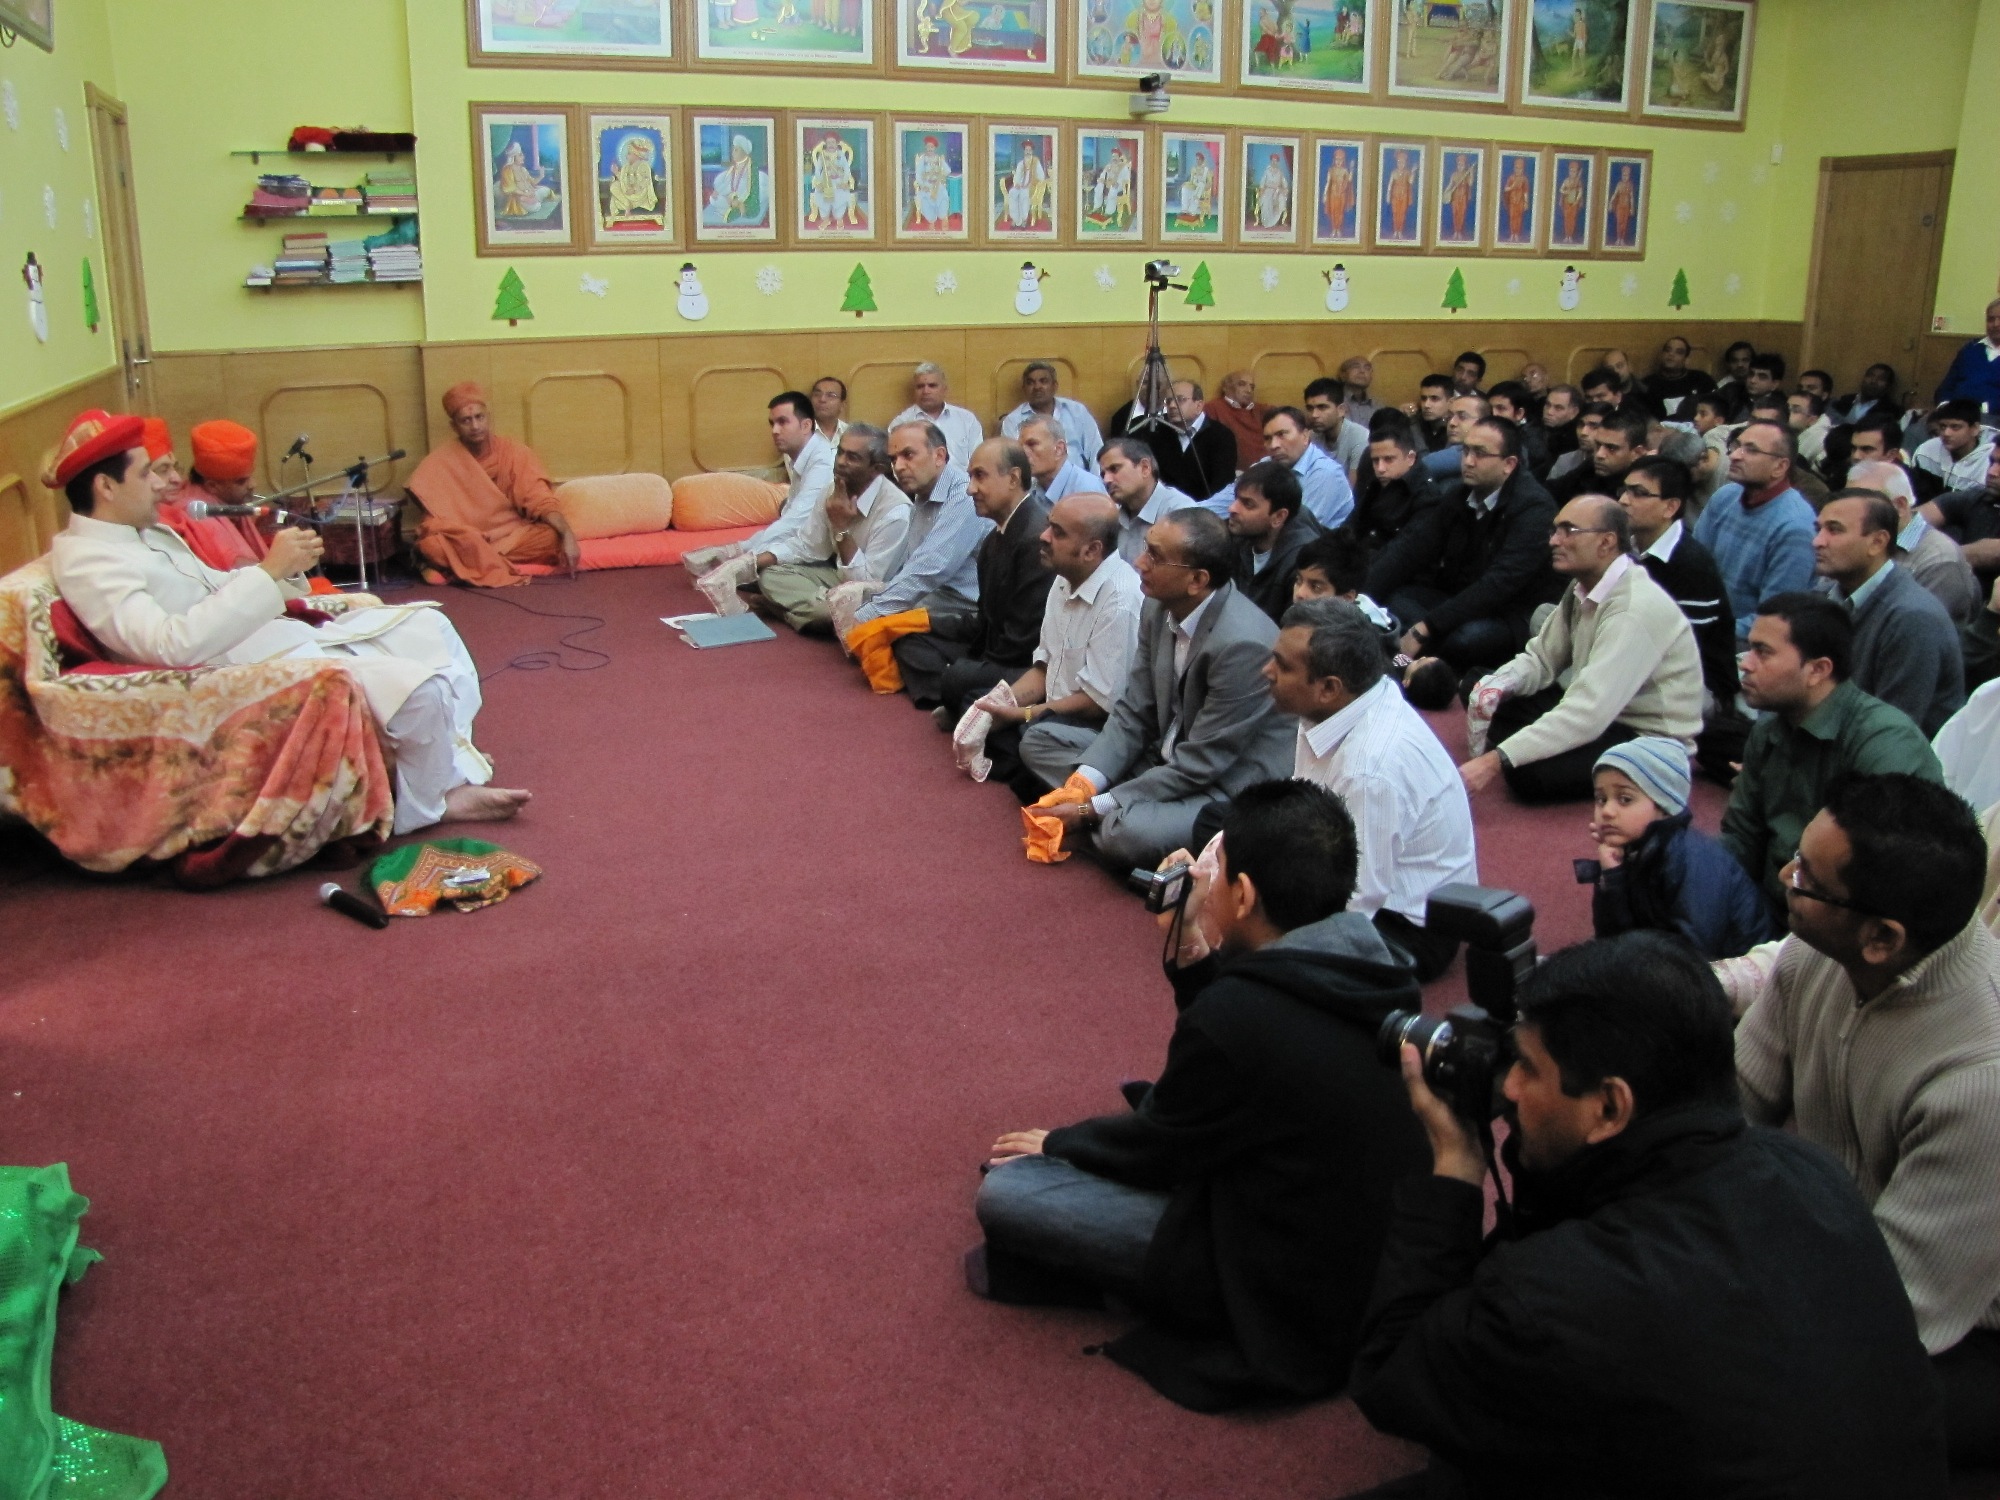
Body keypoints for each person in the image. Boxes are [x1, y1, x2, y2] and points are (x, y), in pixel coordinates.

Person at [1350, 932, 1948, 1499]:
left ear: (1610, 1105)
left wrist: (1456, 1168)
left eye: (1529, 1068)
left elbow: (1393, 1373)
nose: (1507, 1087)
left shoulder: (1558, 1297)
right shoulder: (1808, 1172)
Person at [973, 779, 1430, 1412]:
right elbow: (1236, 1047)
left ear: (1243, 896)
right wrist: (1191, 940)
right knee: (1153, 1101)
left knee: (1010, 1193)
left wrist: (1060, 1144)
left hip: (1268, 1268)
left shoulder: (1241, 1018)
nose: (1204, 884)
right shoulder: (1378, 961)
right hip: (1354, 1240)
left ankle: (1140, 1288)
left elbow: (1164, 1145)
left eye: (1214, 875)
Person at [45, 410, 529, 834]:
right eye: (146, 473)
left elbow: (215, 583)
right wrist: (268, 573)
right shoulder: (89, 558)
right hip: (238, 672)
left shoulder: (137, 533)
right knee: (420, 692)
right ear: (106, 487)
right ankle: (430, 808)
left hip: (267, 635)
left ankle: (450, 771)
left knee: (429, 629)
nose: (159, 484)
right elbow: (168, 646)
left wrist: (289, 573)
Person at [1736, 773, 2000, 1469]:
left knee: (1765, 1412)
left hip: (1963, 1329)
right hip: (1846, 1248)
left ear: (1882, 938)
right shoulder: (1816, 953)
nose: (1787, 877)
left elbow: (1898, 1311)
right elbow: (1729, 1109)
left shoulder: (1984, 1080)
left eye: (1808, 879)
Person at [1019, 509, 1292, 868]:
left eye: (1155, 557)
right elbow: (1133, 710)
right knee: (1038, 741)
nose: (1139, 562)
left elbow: (1201, 765)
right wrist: (1082, 786)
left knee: (1127, 834)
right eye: (1147, 549)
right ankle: (1112, 813)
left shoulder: (1242, 644)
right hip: (1158, 759)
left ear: (1197, 580)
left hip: (1220, 786)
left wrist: (1090, 807)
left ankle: (1109, 819)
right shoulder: (1156, 604)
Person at [1259, 599, 1476, 979]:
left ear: (1328, 687)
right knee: (1228, 826)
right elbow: (1305, 802)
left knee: (1262, 963)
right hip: (1350, 864)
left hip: (1407, 926)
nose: (1267, 671)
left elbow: (1359, 898)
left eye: (1283, 665)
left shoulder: (1370, 769)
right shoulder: (1337, 704)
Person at [1460, 495, 1704, 804]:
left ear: (1606, 542)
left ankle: (1530, 748)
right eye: (1555, 530)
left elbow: (1589, 712)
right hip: (1596, 711)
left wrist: (1493, 761)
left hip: (1641, 736)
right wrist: (1497, 686)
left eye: (1568, 531)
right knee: (1478, 683)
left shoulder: (1634, 607)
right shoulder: (1582, 586)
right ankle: (1532, 741)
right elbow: (1541, 659)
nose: (1554, 540)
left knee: (1525, 774)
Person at [1720, 592, 1943, 902]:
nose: (1745, 663)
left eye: (1763, 652)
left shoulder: (1883, 739)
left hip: (1836, 925)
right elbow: (1741, 838)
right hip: (1769, 907)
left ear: (1818, 670)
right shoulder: (1768, 730)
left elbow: (1885, 869)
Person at [967, 494, 1142, 802]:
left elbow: (1097, 703)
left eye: (1058, 532)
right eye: (1048, 526)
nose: (1043, 537)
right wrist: (1001, 704)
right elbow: (1043, 668)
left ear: (1091, 550)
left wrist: (1022, 714)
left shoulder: (1120, 601)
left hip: (1096, 726)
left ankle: (1100, 791)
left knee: (1031, 739)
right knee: (976, 702)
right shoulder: (1063, 578)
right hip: (1054, 713)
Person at [1369, 419, 1561, 672]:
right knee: (1393, 600)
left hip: (1510, 613)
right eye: (1466, 451)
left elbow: (1498, 585)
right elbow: (1410, 549)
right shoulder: (1459, 495)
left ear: (1509, 464)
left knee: (1464, 641)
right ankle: (1412, 662)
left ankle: (1415, 664)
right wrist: (1361, 599)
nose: (1468, 461)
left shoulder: (1534, 509)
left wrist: (1426, 627)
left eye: (1480, 453)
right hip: (1460, 599)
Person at [891, 438, 1053, 714]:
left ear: (1013, 478)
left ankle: (959, 696)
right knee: (909, 639)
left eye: (980, 476)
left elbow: (1023, 642)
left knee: (959, 678)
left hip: (1024, 665)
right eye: (969, 477)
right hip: (992, 650)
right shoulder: (993, 539)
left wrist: (972, 667)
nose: (970, 489)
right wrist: (924, 621)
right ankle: (962, 700)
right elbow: (983, 622)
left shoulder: (1035, 538)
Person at [1579, 738, 1775, 958]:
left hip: (1738, 974)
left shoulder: (1692, 859)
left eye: (1624, 799)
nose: (1607, 811)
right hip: (1677, 964)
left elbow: (1694, 956)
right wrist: (1612, 878)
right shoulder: (1632, 851)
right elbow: (1610, 940)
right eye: (1601, 799)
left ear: (1665, 806)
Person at [1811, 489, 1965, 735]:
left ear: (1877, 542)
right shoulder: (1826, 593)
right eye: (1818, 529)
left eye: (1835, 530)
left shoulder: (1913, 619)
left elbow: (1889, 734)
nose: (1817, 541)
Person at [406, 383, 581, 588]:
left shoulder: (514, 453)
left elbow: (540, 500)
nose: (475, 426)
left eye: (479, 417)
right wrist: (466, 536)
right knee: (432, 546)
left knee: (551, 538)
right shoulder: (440, 462)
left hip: (509, 537)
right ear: (454, 426)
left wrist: (567, 534)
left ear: (488, 417)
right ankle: (478, 561)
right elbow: (432, 521)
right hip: (467, 539)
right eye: (466, 420)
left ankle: (465, 564)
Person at [751, 425, 912, 633]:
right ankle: (818, 611)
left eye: (852, 457)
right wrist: (752, 563)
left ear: (877, 468)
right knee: (771, 575)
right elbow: (808, 546)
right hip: (835, 578)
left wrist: (841, 527)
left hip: (873, 592)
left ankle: (786, 612)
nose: (841, 462)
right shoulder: (831, 490)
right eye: (840, 453)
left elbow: (867, 583)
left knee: (832, 611)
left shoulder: (895, 512)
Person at [1617, 457, 1740, 722]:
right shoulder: (1627, 547)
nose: (1624, 501)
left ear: (1670, 507)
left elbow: (1681, 654)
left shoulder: (1691, 565)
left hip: (1693, 683)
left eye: (1638, 493)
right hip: (1634, 658)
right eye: (1625, 490)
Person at [838, 419, 987, 638]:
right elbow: (913, 566)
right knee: (852, 601)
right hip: (931, 596)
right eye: (893, 459)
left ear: (938, 456)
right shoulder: (923, 493)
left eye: (908, 455)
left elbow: (931, 568)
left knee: (878, 625)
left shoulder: (963, 495)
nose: (898, 467)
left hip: (962, 607)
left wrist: (870, 613)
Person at [686, 392, 837, 597]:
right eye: (772, 423)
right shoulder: (804, 454)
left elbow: (796, 524)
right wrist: (738, 553)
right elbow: (791, 518)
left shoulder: (822, 461)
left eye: (783, 422)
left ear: (806, 425)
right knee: (783, 511)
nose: (775, 431)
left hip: (829, 554)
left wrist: (740, 554)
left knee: (764, 573)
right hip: (806, 539)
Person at [1692, 419, 1817, 644]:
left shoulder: (1795, 528)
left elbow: (1773, 619)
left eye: (1751, 450)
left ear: (1780, 467)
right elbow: (1692, 569)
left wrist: (1701, 629)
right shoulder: (1725, 497)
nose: (1735, 455)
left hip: (1745, 645)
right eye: (1737, 446)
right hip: (1701, 624)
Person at [1847, 459, 1980, 623]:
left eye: (1862, 505)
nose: (1849, 514)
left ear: (1900, 506)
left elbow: (1916, 630)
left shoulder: (1939, 559)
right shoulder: (1854, 539)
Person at [1204, 407, 1353, 530]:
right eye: (1268, 438)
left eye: (1282, 435)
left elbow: (1294, 530)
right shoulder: (1265, 465)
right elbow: (1217, 505)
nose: (1274, 445)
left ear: (1305, 436)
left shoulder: (1326, 473)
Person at [163, 419, 270, 571]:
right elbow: (242, 578)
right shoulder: (198, 514)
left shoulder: (226, 502)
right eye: (241, 482)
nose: (253, 485)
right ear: (212, 486)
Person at [1225, 461, 1324, 622]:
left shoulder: (1302, 563)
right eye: (1236, 499)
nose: (1232, 508)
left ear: (1278, 517)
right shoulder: (1237, 537)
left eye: (1248, 504)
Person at [1349, 419, 1446, 551]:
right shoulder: (1376, 484)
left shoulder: (1425, 496)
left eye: (1388, 459)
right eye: (1375, 460)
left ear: (1410, 458)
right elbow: (1350, 528)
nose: (1380, 468)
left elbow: (1402, 554)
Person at [1099, 435, 1199, 563]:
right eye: (1103, 474)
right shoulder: (1112, 518)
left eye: (1114, 469)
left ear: (1145, 468)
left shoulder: (1181, 513)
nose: (1106, 480)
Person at [1000, 362, 1104, 475]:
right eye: (1030, 383)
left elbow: (1096, 451)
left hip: (1078, 483)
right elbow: (1012, 463)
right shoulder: (1012, 421)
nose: (1037, 387)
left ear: (1055, 386)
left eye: (1043, 381)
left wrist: (1097, 486)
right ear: (1024, 389)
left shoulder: (1077, 411)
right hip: (1035, 486)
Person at [1922, 444, 2000, 587]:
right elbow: (1915, 521)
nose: (1992, 472)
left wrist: (1934, 559)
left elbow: (1992, 553)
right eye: (1992, 462)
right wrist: (1902, 544)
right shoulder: (1979, 498)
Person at [1550, 404, 1650, 506]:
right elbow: (1552, 490)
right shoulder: (1590, 467)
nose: (1599, 454)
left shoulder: (1647, 487)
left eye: (1611, 448)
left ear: (1637, 453)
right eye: (1598, 445)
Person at [890, 362, 983, 467]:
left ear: (944, 389)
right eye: (920, 386)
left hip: (964, 482)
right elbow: (896, 465)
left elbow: (979, 460)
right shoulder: (901, 424)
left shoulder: (966, 419)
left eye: (932, 385)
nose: (926, 391)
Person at [1932, 295, 2000, 418]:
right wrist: (1944, 405)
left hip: (1990, 417)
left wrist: (1985, 408)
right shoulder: (1970, 349)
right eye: (1990, 319)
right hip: (1954, 413)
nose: (1995, 324)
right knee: (1915, 431)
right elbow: (1947, 385)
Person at [1913, 399, 1997, 496]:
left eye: (1955, 427)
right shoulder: (1926, 451)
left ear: (1975, 429)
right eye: (1943, 426)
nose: (1946, 433)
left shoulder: (1992, 458)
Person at [1016, 414, 1104, 502]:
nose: (1023, 453)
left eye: (1032, 444)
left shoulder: (1088, 490)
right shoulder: (1030, 491)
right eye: (1020, 447)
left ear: (1059, 449)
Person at [1302, 376, 1368, 483]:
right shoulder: (1311, 436)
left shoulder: (1360, 437)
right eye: (1310, 408)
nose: (1314, 415)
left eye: (1322, 407)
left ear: (1341, 410)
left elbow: (1352, 491)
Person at [1417, 393, 1490, 481]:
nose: (1452, 423)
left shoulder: (1468, 454)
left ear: (1484, 422)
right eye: (1449, 416)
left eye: (1462, 417)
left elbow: (1416, 468)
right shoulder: (1444, 442)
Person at [1205, 371, 1267, 473]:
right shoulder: (1212, 409)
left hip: (1265, 472)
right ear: (1226, 387)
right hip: (1232, 474)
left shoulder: (1262, 410)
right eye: (1242, 384)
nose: (1248, 390)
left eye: (1252, 387)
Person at [1642, 334, 1716, 418]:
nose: (1671, 354)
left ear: (1686, 359)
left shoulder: (1701, 379)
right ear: (1662, 355)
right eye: (1667, 350)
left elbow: (1716, 409)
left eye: (1679, 352)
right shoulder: (1647, 384)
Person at [1832, 362, 1902, 426]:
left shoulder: (1891, 411)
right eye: (1870, 376)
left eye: (1881, 378)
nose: (1873, 381)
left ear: (1888, 386)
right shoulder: (1845, 400)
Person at [1537, 382, 1582, 467]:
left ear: (1574, 412)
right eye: (1547, 405)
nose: (1549, 412)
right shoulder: (1533, 428)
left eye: (1558, 408)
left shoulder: (1576, 441)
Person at [1407, 375, 1452, 457]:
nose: (1426, 405)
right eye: (1423, 399)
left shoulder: (1456, 428)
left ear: (1450, 402)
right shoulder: (1415, 423)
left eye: (1434, 399)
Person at [1339, 356, 1378, 427]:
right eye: (1355, 367)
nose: (1362, 371)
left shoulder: (1378, 406)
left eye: (1367, 368)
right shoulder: (1334, 402)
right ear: (1343, 375)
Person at [809, 375, 849, 444]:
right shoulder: (800, 434)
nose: (822, 399)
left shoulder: (849, 433)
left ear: (842, 405)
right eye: (817, 394)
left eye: (831, 396)